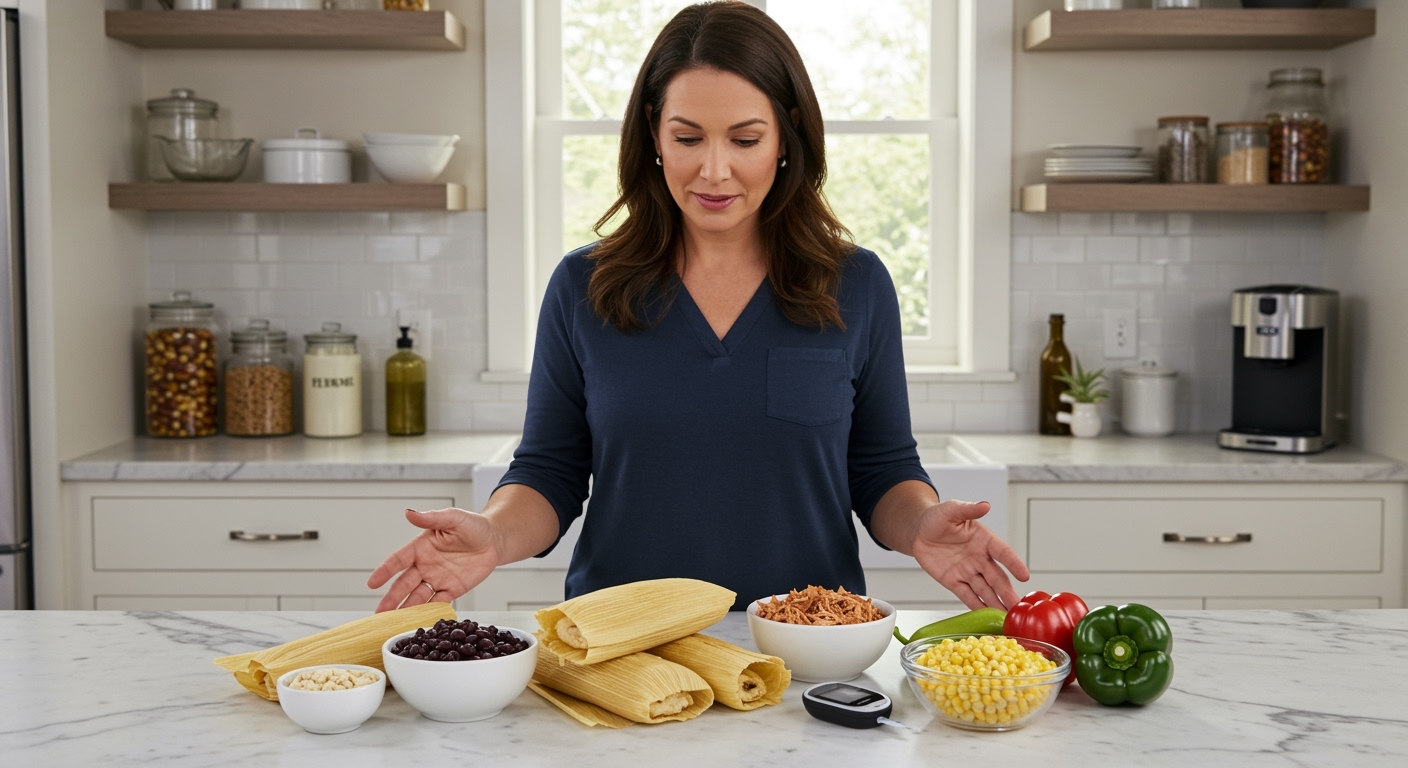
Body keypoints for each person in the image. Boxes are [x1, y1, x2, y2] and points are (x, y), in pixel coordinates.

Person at [369, 1, 1028, 613]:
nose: (714, 171)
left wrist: (920, 526)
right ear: (654, 135)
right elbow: (550, 470)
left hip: (805, 651)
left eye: (744, 140)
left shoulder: (855, 284)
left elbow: (881, 468)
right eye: (689, 139)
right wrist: (492, 532)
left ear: (786, 138)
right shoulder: (583, 285)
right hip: (620, 647)